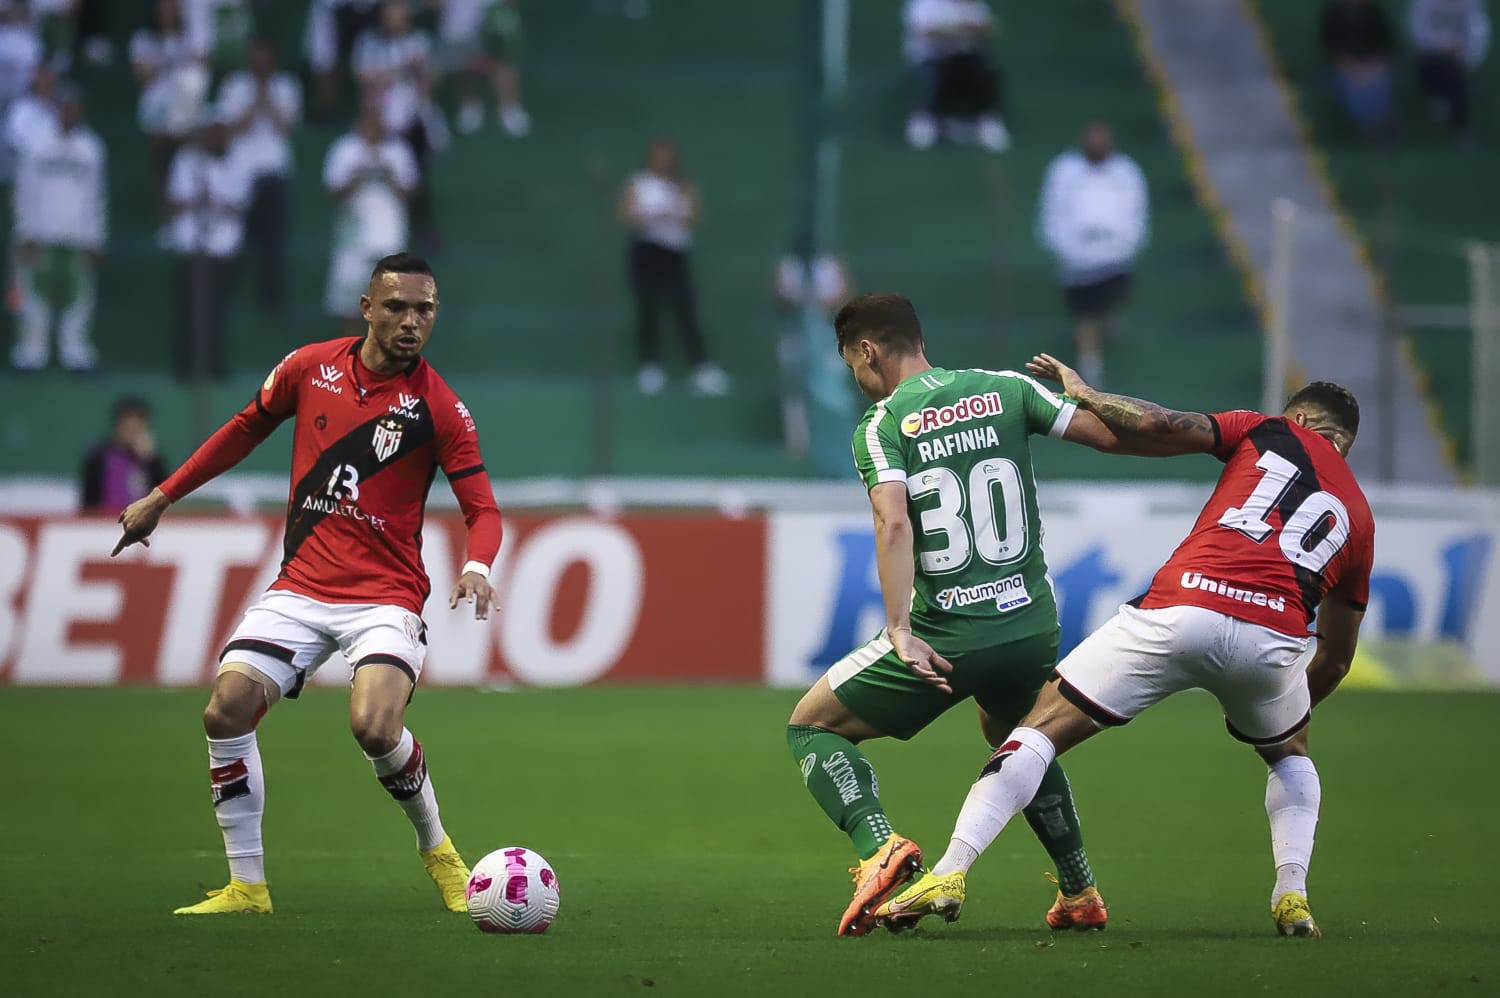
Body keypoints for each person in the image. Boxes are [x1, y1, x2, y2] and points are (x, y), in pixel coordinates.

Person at [887, 355, 1372, 939]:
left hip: (1182, 609)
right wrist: (1281, 707)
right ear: (1345, 443)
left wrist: (1087, 393)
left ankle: (950, 871)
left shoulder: (1266, 428)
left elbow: (1160, 424)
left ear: (1297, 416)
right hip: (1272, 639)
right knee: (1291, 754)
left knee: (1037, 729)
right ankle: (1292, 894)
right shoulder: (1361, 516)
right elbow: (1338, 657)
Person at [112, 252, 504, 917]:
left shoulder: (440, 409)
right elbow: (243, 430)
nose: (411, 322)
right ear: (367, 308)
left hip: (384, 596)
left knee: (375, 727)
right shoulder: (309, 367)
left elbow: (483, 508)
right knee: (224, 711)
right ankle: (248, 888)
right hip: (300, 588)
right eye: (398, 307)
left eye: (425, 310)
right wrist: (162, 495)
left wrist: (477, 565)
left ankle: (437, 849)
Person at [788, 292, 1186, 937]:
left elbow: (894, 524)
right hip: (1029, 626)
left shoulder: (884, 424)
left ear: (867, 351)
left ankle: (878, 846)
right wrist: (1204, 445)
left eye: (851, 366)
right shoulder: (1004, 388)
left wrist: (900, 630)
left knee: (810, 727)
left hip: (951, 632)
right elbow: (1113, 435)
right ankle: (1080, 890)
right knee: (1019, 735)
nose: (856, 381)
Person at [1037, 122, 1148, 387]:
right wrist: (1064, 247)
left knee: (1108, 311)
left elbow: (1136, 210)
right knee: (1084, 314)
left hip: (1115, 257)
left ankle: (1105, 334)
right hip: (1078, 260)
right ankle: (1090, 362)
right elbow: (1052, 209)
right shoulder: (1064, 170)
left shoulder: (1126, 171)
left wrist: (1126, 244)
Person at [619, 138, 727, 396]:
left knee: (684, 307)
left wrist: (673, 215)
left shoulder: (683, 185)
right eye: (658, 156)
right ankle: (651, 365)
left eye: (667, 156)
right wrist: (652, 216)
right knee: (648, 306)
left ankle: (700, 367)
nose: (663, 161)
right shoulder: (638, 183)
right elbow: (627, 216)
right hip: (647, 250)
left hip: (674, 251)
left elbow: (695, 217)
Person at [10, 83, 106, 372]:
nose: (70, 112)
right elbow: (24, 190)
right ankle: (30, 353)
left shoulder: (92, 147)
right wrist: (24, 230)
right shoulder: (36, 145)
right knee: (31, 296)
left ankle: (75, 353)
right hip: (40, 234)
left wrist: (96, 237)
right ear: (56, 109)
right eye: (65, 106)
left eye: (74, 107)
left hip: (77, 236)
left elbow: (97, 195)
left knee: (79, 299)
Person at [165, 111, 252, 379]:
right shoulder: (186, 160)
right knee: (187, 309)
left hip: (223, 248)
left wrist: (212, 201)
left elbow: (240, 205)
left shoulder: (239, 161)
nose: (217, 137)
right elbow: (175, 201)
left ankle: (214, 364)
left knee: (216, 312)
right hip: (191, 246)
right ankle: (184, 365)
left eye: (221, 131)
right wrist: (205, 200)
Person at [217, 36, 301, 312]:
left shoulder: (286, 86)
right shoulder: (235, 85)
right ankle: (226, 290)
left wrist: (267, 96)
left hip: (273, 172)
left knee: (273, 239)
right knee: (233, 234)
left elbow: (284, 125)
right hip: (240, 172)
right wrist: (254, 100)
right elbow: (229, 128)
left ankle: (271, 298)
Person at [323, 102, 417, 337]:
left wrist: (388, 173)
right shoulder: (345, 149)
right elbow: (333, 192)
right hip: (352, 239)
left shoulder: (398, 151)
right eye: (368, 119)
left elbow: (409, 193)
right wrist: (359, 173)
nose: (374, 125)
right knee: (348, 302)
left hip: (389, 238)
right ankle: (350, 361)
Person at [353, 1, 440, 250]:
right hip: (380, 123)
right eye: (392, 13)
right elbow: (363, 76)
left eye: (401, 13)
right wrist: (401, 69)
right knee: (383, 177)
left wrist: (419, 72)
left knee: (417, 180)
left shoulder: (419, 41)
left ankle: (423, 230)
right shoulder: (369, 42)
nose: (396, 18)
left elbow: (431, 80)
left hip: (412, 123)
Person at [131, 0, 209, 218]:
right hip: (156, 109)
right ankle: (163, 213)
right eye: (162, 8)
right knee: (162, 164)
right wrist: (169, 61)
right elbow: (142, 75)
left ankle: (186, 218)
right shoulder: (143, 39)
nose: (167, 13)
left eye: (172, 8)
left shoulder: (190, 37)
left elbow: (202, 65)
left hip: (185, 108)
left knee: (187, 162)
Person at [901, 0, 1008, 152]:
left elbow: (992, 30)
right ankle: (924, 121)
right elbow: (926, 32)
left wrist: (976, 29)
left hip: (965, 59)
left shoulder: (974, 5)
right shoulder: (925, 4)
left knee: (984, 69)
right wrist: (959, 29)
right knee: (934, 74)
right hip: (933, 59)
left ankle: (987, 121)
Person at [439, 0, 530, 137]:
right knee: (465, 62)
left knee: (502, 61)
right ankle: (470, 106)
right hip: (459, 13)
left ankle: (510, 108)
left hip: (494, 10)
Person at [1408, 0, 1491, 137]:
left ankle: (1461, 126)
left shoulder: (1472, 4)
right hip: (1430, 55)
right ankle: (1435, 97)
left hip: (1459, 57)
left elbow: (1478, 34)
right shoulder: (1423, 3)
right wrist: (1441, 45)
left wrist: (1464, 56)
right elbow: (1417, 31)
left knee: (1456, 76)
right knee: (1427, 67)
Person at [1320, 0, 1396, 136]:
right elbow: (1332, 50)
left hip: (1374, 66)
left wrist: (1374, 66)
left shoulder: (1374, 13)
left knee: (1381, 83)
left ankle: (1382, 123)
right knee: (1353, 88)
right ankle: (1370, 127)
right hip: (1345, 69)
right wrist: (1351, 68)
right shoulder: (1333, 14)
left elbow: (1386, 47)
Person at [80, 397, 167, 514]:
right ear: (118, 424)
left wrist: (151, 462)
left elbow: (164, 499)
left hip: (142, 526)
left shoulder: (152, 461)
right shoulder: (99, 459)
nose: (132, 428)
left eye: (138, 423)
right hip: (104, 527)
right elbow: (88, 504)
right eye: (127, 422)